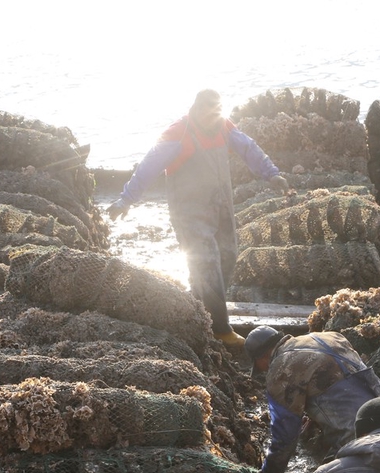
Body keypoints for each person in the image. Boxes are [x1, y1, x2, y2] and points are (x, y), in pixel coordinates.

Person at [106, 89, 289, 351]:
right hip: (189, 213)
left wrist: (271, 174)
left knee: (228, 256)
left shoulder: (224, 127)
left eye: (218, 111)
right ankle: (221, 330)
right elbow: (148, 167)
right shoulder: (178, 134)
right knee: (207, 263)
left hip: (221, 207)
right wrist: (126, 200)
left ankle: (197, 310)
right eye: (209, 112)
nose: (214, 117)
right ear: (197, 109)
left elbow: (249, 149)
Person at [245, 325, 380, 473]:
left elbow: (285, 434)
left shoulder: (280, 369)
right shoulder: (330, 336)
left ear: (261, 357)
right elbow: (340, 379)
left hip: (356, 435)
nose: (263, 371)